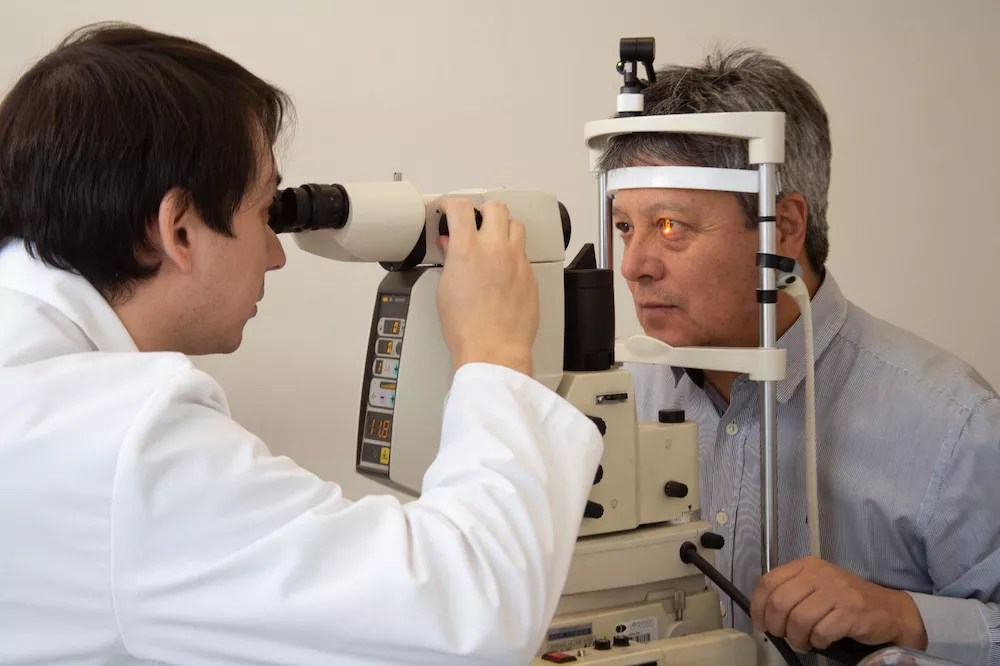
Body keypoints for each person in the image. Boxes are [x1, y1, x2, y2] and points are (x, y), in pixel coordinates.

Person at [0, 23, 604, 666]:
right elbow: (471, 615)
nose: (275, 255)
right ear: (179, 230)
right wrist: (496, 351)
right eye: (266, 213)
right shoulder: (125, 441)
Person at [602, 48, 1000, 665]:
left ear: (783, 227)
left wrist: (902, 615)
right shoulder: (618, 401)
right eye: (625, 227)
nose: (634, 266)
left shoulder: (951, 426)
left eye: (671, 226)